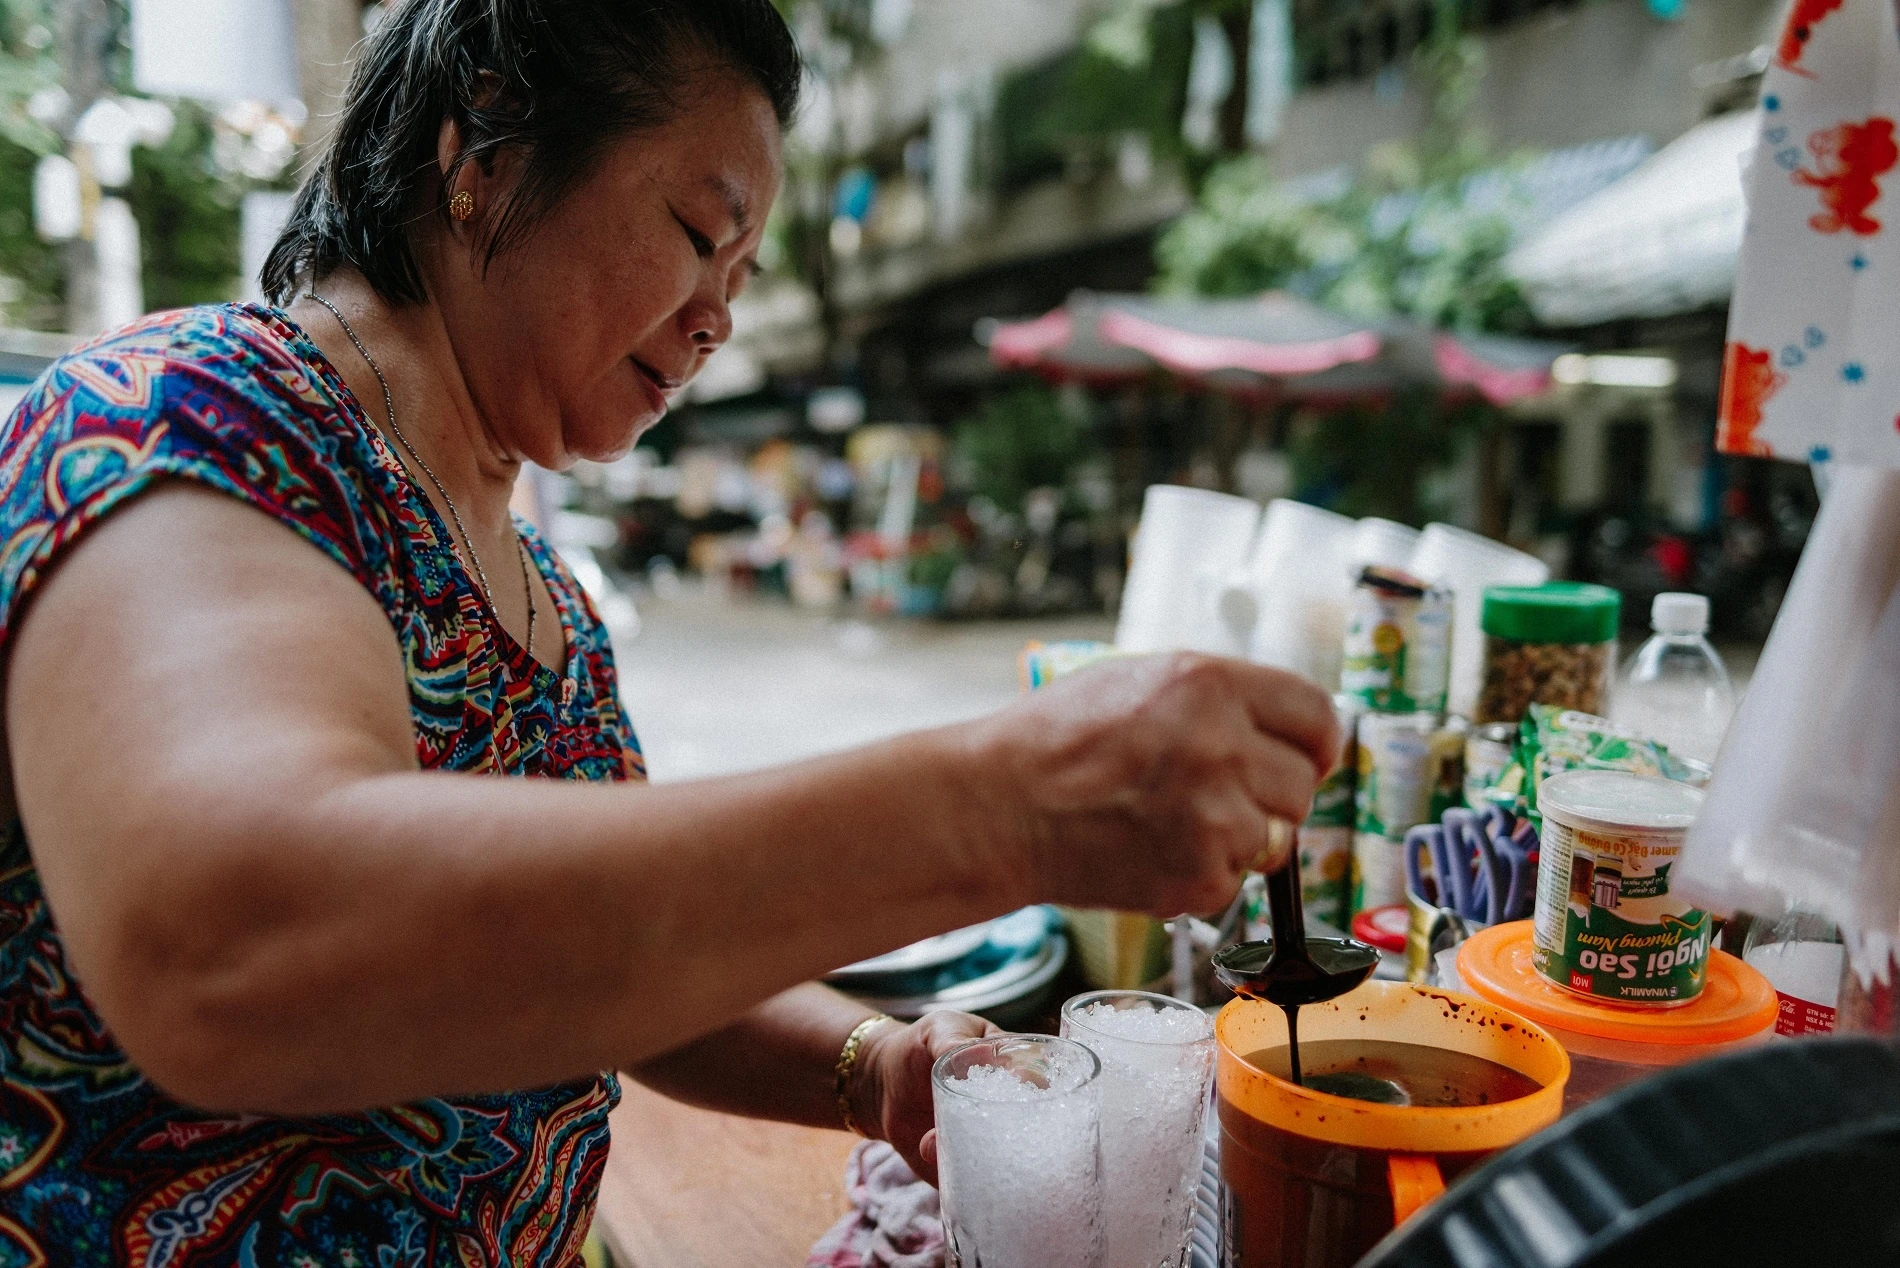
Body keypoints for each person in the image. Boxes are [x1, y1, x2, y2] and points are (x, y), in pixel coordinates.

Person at [0, 1, 1338, 1263]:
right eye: (702, 235)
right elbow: (235, 947)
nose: (719, 318)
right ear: (484, 146)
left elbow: (585, 951)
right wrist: (1007, 807)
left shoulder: (548, 605)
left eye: (745, 274)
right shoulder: (192, 422)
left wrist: (875, 1066)